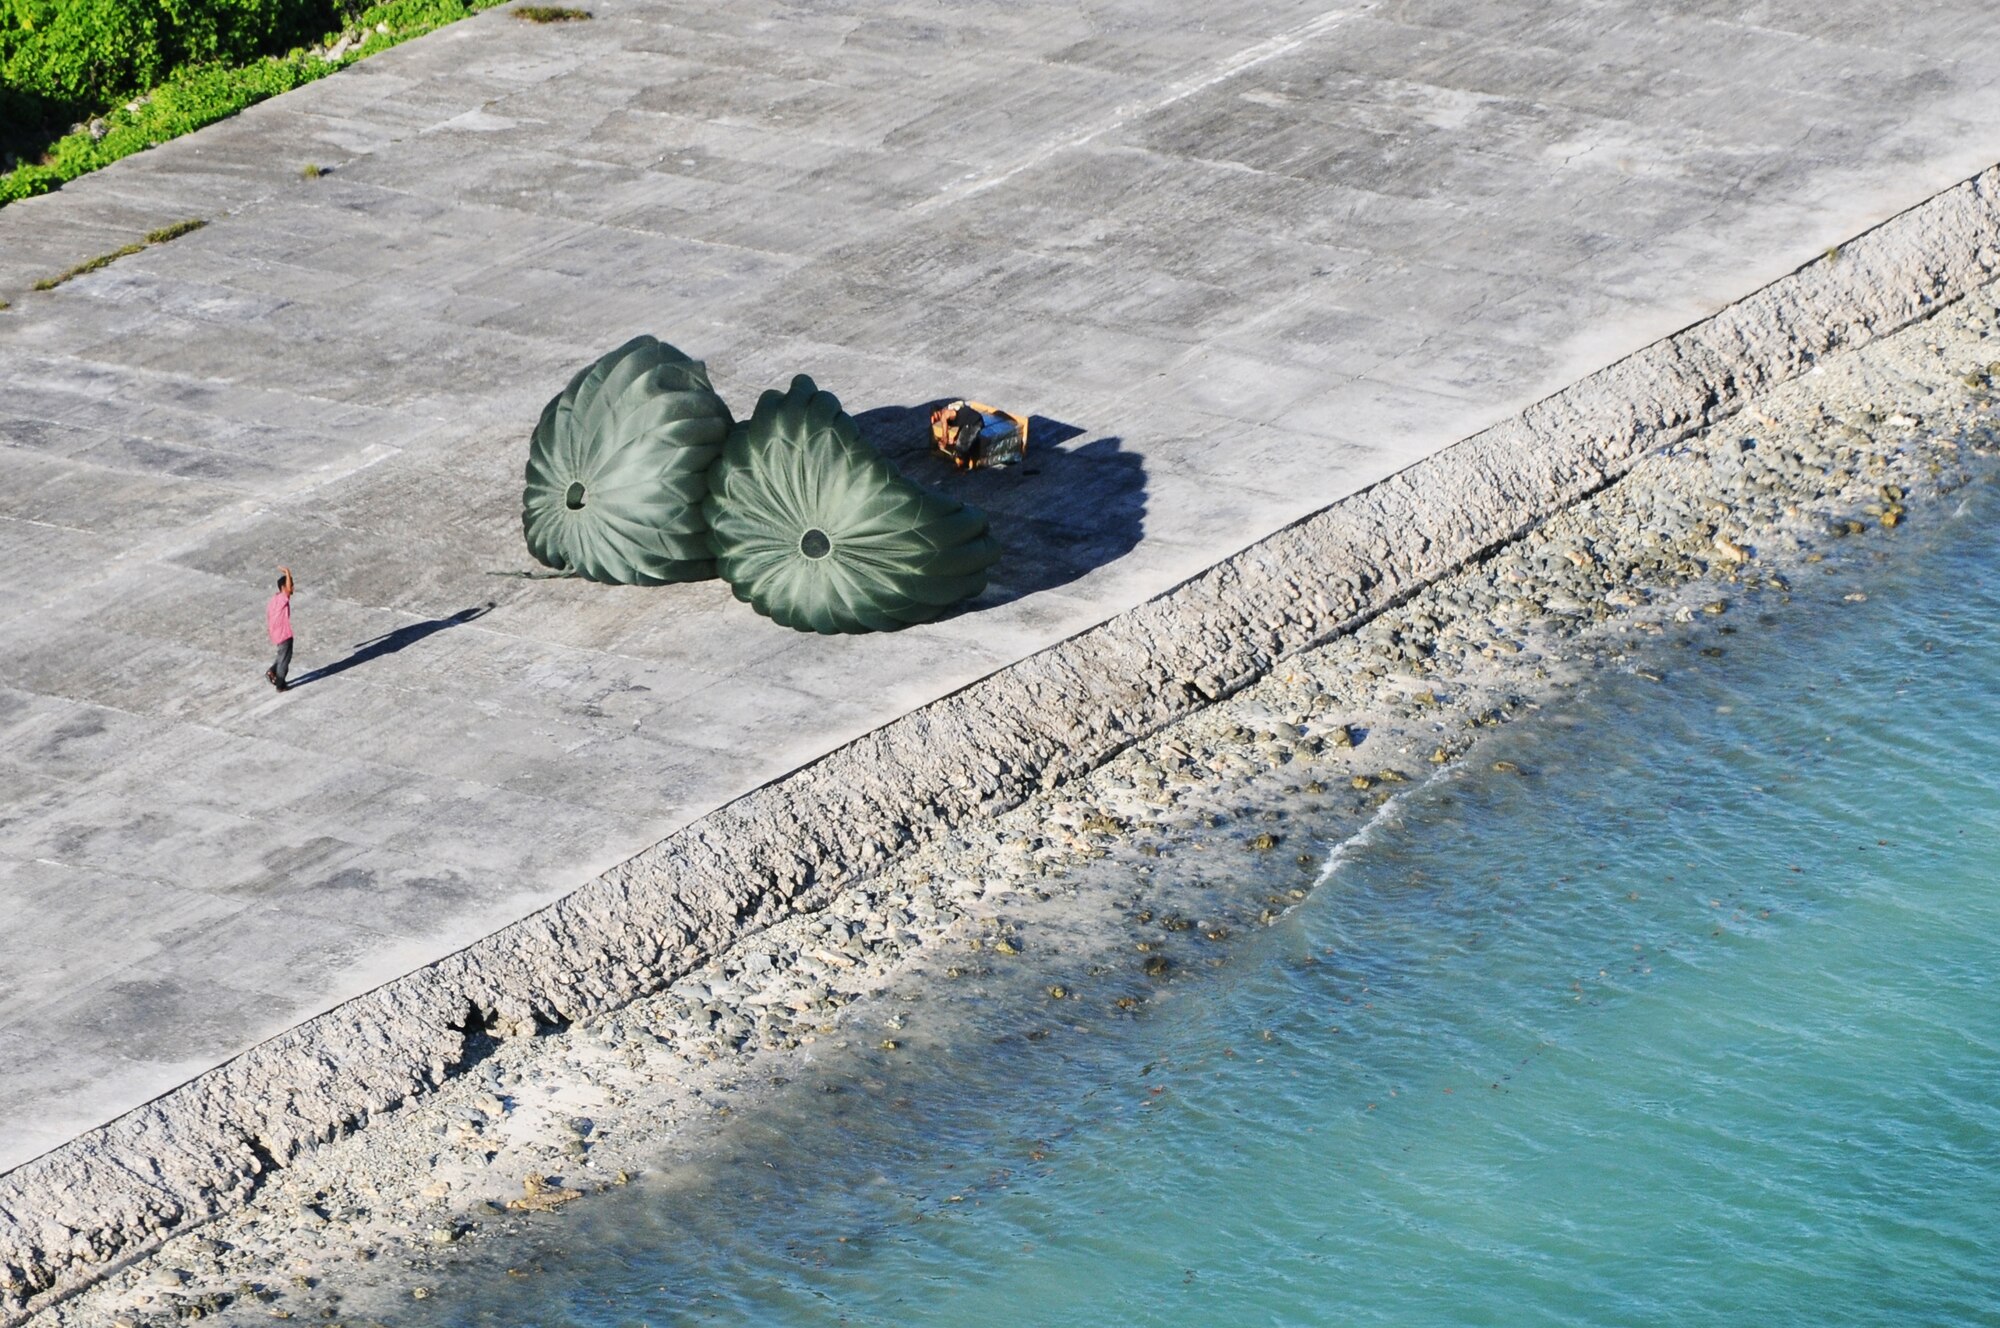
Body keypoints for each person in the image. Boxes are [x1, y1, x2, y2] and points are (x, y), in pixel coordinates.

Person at [265, 567, 295, 691]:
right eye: (291, 585)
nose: (293, 588)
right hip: (284, 634)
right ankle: (280, 684)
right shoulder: (283, 598)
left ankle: (272, 671)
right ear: (283, 587)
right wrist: (288, 572)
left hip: (276, 633)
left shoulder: (274, 600)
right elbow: (287, 590)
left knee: (282, 655)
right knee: (284, 660)